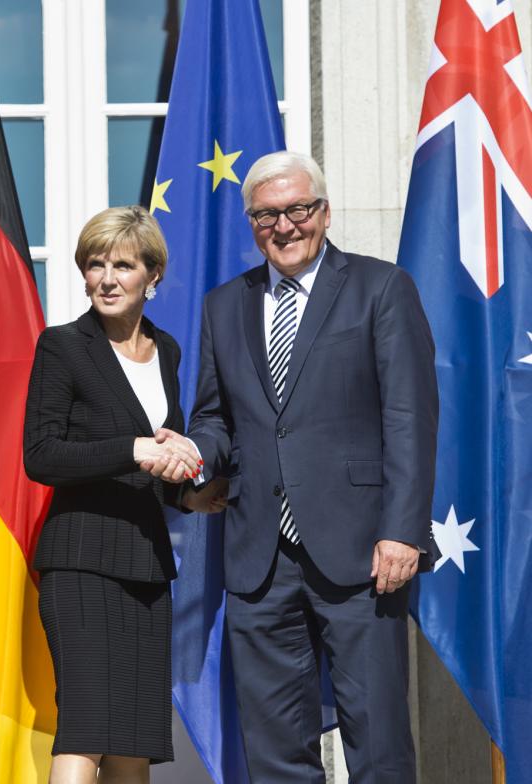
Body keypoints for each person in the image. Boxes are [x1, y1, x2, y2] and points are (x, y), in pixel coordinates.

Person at [158, 151, 438, 782]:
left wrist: (402, 531)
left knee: (379, 739)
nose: (283, 227)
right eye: (266, 216)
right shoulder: (224, 305)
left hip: (364, 551)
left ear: (324, 212)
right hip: (260, 559)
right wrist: (194, 453)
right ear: (251, 222)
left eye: (297, 210)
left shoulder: (381, 287)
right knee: (275, 749)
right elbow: (216, 419)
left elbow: (410, 420)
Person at [22, 206, 219, 784]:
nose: (106, 278)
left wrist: (188, 498)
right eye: (94, 263)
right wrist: (132, 448)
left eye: (122, 265)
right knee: (86, 730)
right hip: (80, 565)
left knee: (135, 740)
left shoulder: (170, 352)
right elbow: (42, 456)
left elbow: (157, 464)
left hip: (146, 568)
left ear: (151, 277)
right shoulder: (62, 347)